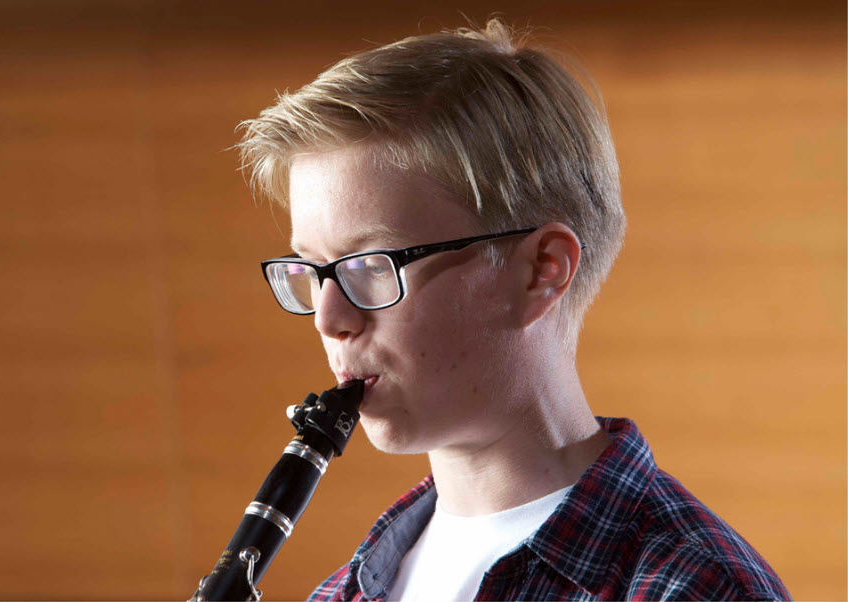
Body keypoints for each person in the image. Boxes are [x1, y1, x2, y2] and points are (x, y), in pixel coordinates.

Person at [238, 19, 791, 602]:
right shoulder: (343, 593)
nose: (329, 320)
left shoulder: (698, 587)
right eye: (314, 270)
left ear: (540, 270)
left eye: (372, 265)